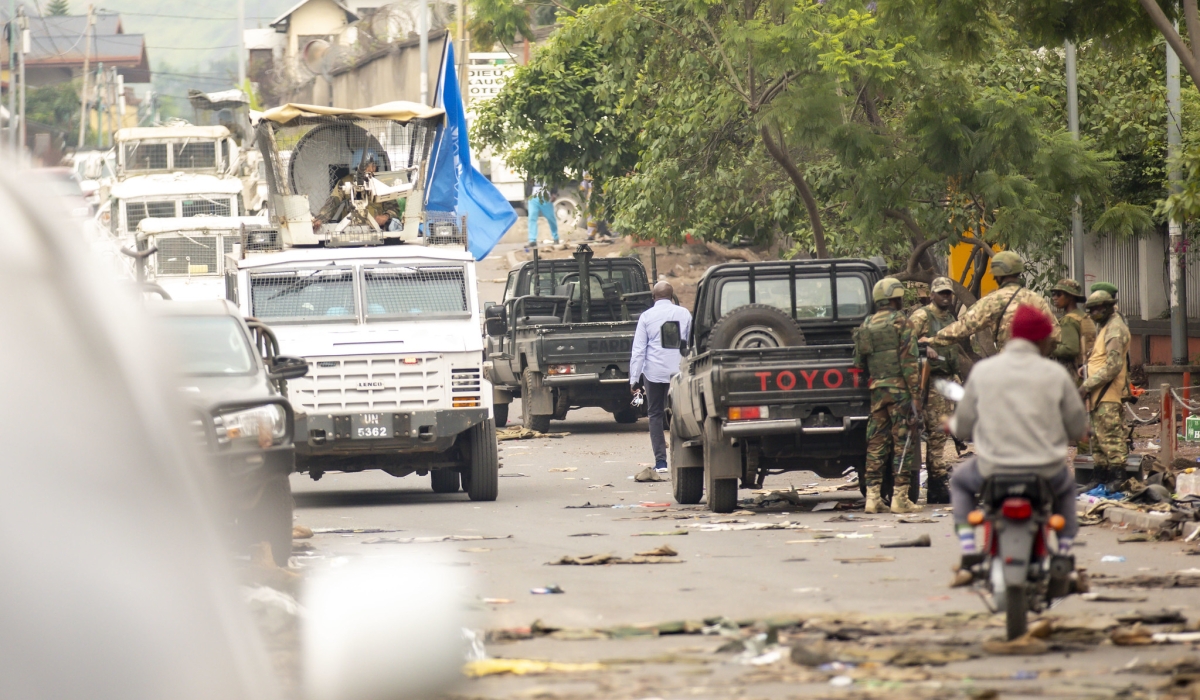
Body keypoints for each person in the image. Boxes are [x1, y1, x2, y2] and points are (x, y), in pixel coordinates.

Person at [949, 304, 1087, 567]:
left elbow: (964, 426)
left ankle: (968, 546)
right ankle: (1065, 550)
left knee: (960, 481)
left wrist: (957, 428)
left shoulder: (983, 371)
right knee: (1068, 490)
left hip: (993, 468)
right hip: (1044, 469)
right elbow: (1076, 426)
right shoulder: (1055, 374)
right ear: (1043, 340)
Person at [853, 277, 922, 514]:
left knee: (876, 443)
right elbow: (909, 361)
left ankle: (872, 497)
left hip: (877, 392)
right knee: (902, 442)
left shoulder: (866, 324)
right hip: (900, 391)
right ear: (895, 298)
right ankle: (899, 498)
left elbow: (859, 362)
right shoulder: (902, 323)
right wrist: (915, 395)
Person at [921, 251, 1059, 353]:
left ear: (996, 276)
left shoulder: (992, 301)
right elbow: (1055, 335)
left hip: (1008, 368)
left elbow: (963, 327)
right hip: (1036, 369)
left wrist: (931, 341)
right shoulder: (1037, 299)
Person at [629, 281, 693, 473]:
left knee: (655, 414)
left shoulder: (646, 317)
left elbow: (639, 350)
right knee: (681, 415)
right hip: (679, 373)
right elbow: (692, 344)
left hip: (654, 374)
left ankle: (661, 462)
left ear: (653, 297)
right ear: (672, 296)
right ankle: (684, 460)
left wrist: (634, 378)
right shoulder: (685, 314)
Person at [907, 276, 960, 504]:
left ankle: (937, 484)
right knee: (935, 432)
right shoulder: (921, 316)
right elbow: (905, 342)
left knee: (942, 433)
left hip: (946, 379)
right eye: (941, 293)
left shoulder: (950, 317)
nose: (946, 297)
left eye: (948, 293)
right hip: (928, 381)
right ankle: (936, 484)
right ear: (932, 295)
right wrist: (923, 346)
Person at [1080, 289, 1132, 485]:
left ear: (1108, 307)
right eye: (1091, 310)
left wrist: (1086, 386)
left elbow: (1113, 366)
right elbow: (1101, 358)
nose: (1093, 314)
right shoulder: (1105, 327)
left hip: (1107, 394)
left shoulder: (1115, 329)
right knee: (1098, 441)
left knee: (1111, 439)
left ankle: (1118, 479)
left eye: (1097, 309)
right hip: (1098, 395)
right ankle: (1100, 476)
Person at [313, 157, 403, 231]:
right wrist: (321, 218)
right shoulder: (345, 182)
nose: (371, 169)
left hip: (376, 229)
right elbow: (333, 202)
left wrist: (386, 216)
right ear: (358, 166)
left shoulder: (381, 183)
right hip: (350, 229)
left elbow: (394, 208)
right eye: (367, 165)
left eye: (374, 165)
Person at [1049, 278, 1095, 386]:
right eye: (1053, 294)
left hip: (1075, 374)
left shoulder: (1069, 320)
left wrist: (1049, 349)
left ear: (1070, 296)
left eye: (1059, 294)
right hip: (1088, 369)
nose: (1054, 298)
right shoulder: (1085, 317)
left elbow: (1070, 349)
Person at [527, 182, 559, 247]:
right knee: (532, 218)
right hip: (533, 197)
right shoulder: (532, 172)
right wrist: (527, 194)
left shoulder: (548, 171)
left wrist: (554, 193)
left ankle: (556, 237)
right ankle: (532, 240)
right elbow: (528, 182)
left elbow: (554, 180)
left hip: (546, 197)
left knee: (551, 218)